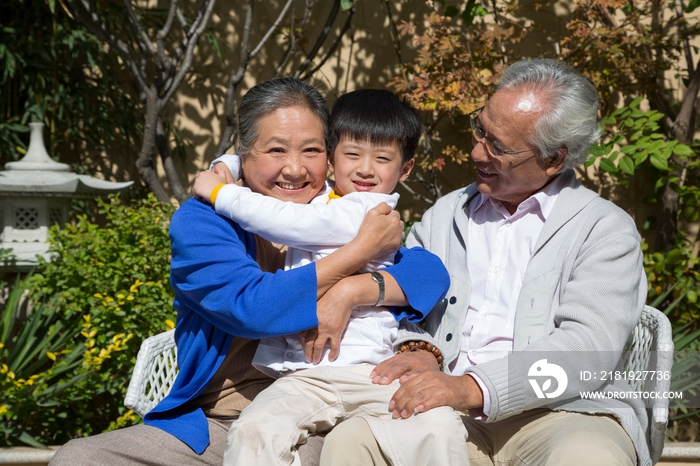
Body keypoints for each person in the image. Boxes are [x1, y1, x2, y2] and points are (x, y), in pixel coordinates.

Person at [49, 78, 450, 465]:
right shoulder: (204, 221)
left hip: (319, 410)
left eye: (310, 151)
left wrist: (353, 291)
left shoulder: (334, 209)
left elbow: (429, 275)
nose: (294, 169)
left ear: (329, 156)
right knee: (79, 457)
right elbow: (253, 308)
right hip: (213, 421)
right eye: (276, 150)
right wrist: (359, 252)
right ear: (243, 153)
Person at [320, 58, 650, 466]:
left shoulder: (604, 229)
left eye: (499, 146)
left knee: (589, 457)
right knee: (353, 441)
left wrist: (471, 387)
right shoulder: (446, 214)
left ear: (553, 159)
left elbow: (588, 349)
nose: (476, 150)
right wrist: (421, 349)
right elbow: (406, 305)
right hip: (445, 412)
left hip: (564, 414)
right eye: (481, 129)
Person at [192, 89, 468, 465]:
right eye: (352, 154)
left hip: (372, 372)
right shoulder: (319, 196)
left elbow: (286, 222)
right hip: (303, 377)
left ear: (404, 170)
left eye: (382, 159)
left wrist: (219, 189)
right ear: (334, 156)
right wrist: (229, 163)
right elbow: (252, 306)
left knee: (437, 424)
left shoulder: (368, 208)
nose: (366, 169)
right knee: (255, 430)